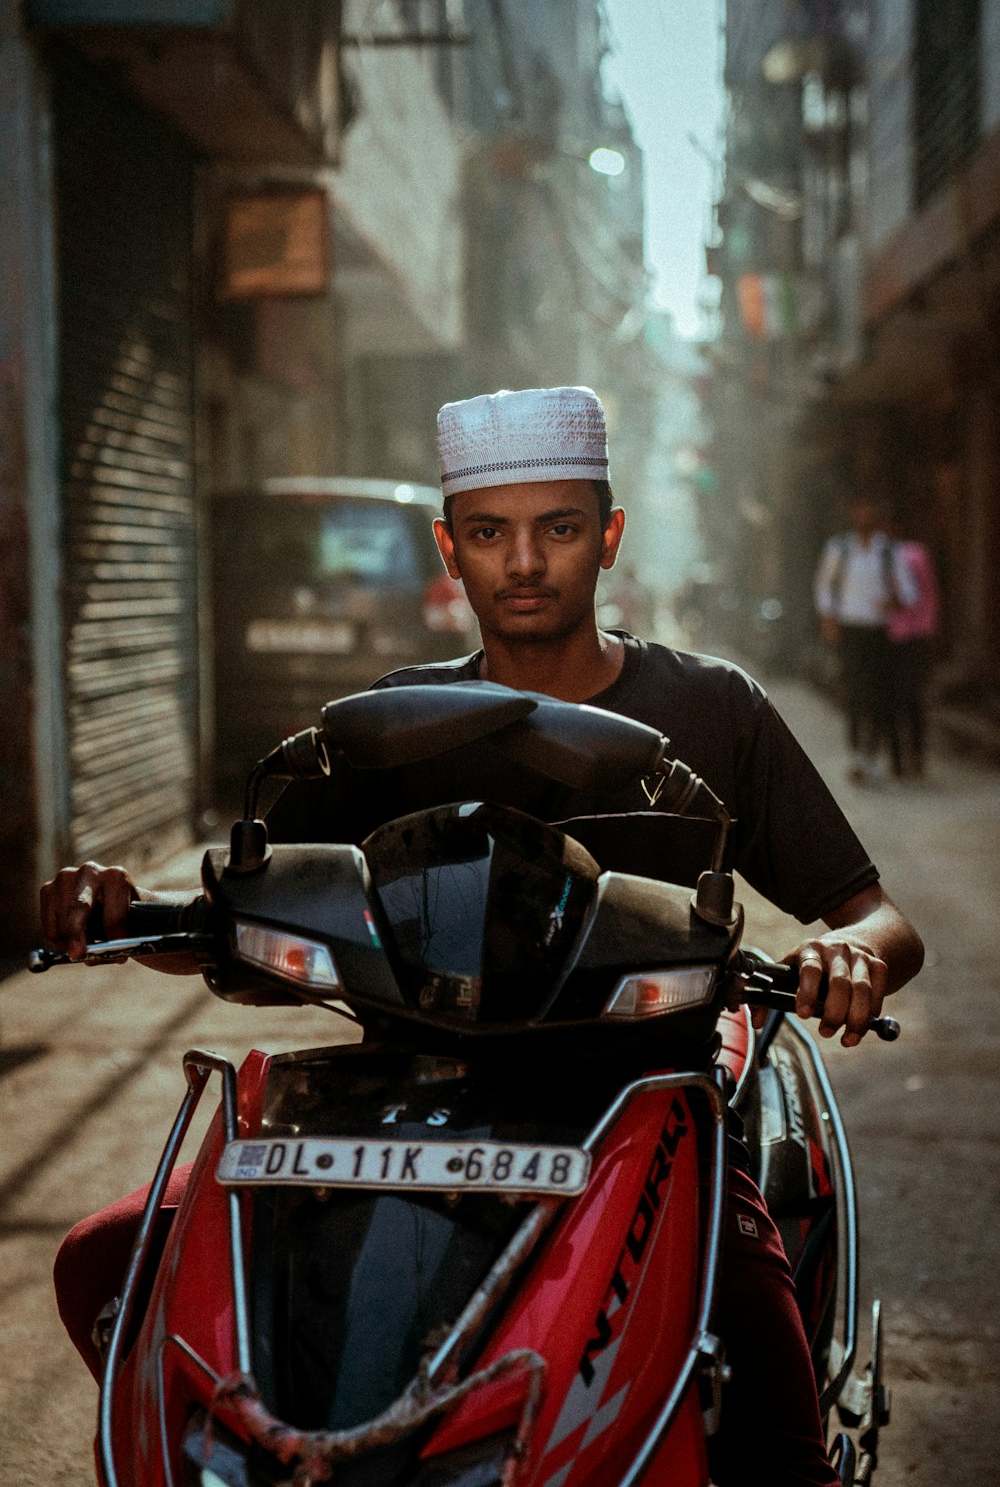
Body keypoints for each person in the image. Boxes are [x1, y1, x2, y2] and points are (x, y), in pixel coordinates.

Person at [43, 387, 923, 1485]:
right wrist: (130, 917)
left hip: (642, 1125)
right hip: (383, 1128)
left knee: (775, 1417)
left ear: (606, 536)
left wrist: (851, 955)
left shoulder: (714, 710)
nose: (523, 562)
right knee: (103, 1264)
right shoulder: (384, 725)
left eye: (557, 529)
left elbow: (878, 916)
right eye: (489, 532)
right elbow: (243, 922)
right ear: (448, 549)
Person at [813, 493, 918, 786]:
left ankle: (874, 754)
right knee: (854, 694)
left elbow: (910, 591)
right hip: (851, 631)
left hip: (878, 632)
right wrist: (828, 617)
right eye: (859, 511)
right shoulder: (840, 549)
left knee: (880, 695)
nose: (864, 517)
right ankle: (857, 755)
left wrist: (896, 602)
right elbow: (823, 585)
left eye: (869, 511)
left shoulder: (888, 551)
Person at [884, 521, 940, 779]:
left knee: (913, 697)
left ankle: (916, 755)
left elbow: (928, 593)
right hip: (886, 636)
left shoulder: (915, 554)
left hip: (913, 637)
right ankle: (896, 760)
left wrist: (926, 629)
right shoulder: (878, 554)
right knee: (891, 700)